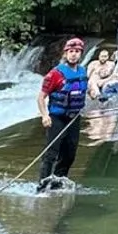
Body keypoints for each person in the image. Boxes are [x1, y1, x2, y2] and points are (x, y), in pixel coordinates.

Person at [39, 37, 91, 188]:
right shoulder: (55, 74)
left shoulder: (82, 71)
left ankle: (58, 182)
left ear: (81, 54)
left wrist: (93, 91)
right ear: (66, 53)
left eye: (77, 51)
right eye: (71, 51)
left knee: (69, 153)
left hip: (74, 117)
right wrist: (45, 115)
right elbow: (41, 97)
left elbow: (83, 89)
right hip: (56, 117)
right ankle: (42, 185)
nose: (74, 54)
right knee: (51, 153)